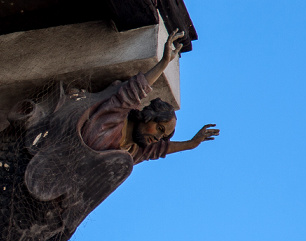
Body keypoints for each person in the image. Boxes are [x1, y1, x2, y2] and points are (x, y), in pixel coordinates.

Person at [81, 29, 219, 163]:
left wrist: (190, 144)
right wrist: (164, 63)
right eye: (160, 129)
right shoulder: (116, 115)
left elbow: (159, 149)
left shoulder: (131, 152)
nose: (158, 138)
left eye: (162, 136)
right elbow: (135, 90)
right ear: (148, 116)